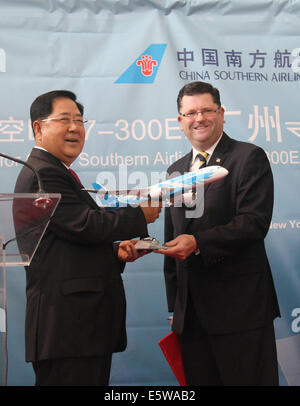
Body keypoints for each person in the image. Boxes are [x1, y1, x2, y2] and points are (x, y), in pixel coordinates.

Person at [14, 90, 161, 386]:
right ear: (38, 128)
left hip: (75, 330)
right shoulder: (44, 173)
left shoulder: (56, 172)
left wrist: (115, 252)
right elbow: (84, 225)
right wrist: (139, 215)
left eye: (80, 121)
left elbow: (66, 243)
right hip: (68, 327)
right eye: (64, 120)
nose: (74, 128)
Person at [157, 81, 280, 386]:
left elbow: (253, 223)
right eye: (190, 113)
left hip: (239, 311)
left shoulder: (248, 157)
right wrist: (175, 307)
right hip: (191, 317)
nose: (198, 118)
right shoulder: (176, 170)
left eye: (206, 110)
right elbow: (173, 239)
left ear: (222, 113)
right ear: (180, 121)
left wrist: (198, 243)